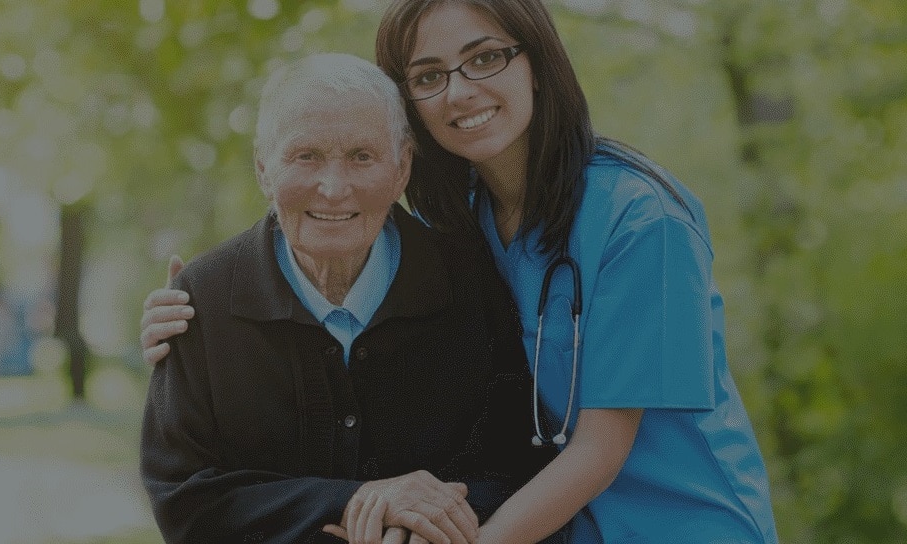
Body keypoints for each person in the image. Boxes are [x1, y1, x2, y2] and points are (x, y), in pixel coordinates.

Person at [142, 1, 780, 542]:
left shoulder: (640, 222)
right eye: (428, 75)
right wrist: (197, 314)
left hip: (682, 523)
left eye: (485, 59)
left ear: (537, 63)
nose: (460, 91)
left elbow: (596, 452)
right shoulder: (466, 223)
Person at [139, 52, 558, 544]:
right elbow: (183, 499)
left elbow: (520, 463)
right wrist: (358, 499)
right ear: (264, 170)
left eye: (362, 156)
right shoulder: (200, 302)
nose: (334, 188)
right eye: (306, 156)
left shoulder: (469, 281)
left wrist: (425, 521)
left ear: (401, 171)